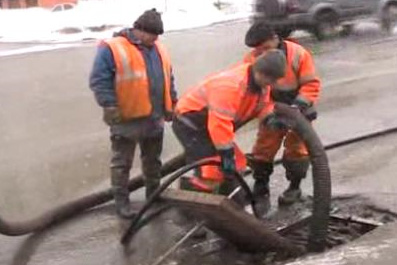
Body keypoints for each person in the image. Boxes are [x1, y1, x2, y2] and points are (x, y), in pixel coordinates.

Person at [89, 9, 178, 219]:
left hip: (154, 117)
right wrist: (109, 105)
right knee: (122, 164)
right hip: (126, 118)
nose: (155, 39)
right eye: (152, 35)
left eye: (158, 36)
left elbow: (168, 77)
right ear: (139, 30)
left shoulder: (158, 48)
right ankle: (122, 203)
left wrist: (172, 102)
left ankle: (154, 195)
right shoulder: (112, 48)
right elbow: (99, 80)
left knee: (153, 161)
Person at [172, 50, 286, 196]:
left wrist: (269, 118)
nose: (274, 84)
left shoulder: (262, 86)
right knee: (211, 170)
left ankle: (225, 199)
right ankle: (194, 203)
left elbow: (262, 106)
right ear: (262, 73)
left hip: (212, 125)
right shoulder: (230, 86)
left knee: (238, 163)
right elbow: (219, 123)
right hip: (190, 122)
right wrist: (226, 154)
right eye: (273, 79)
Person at [244, 21, 321, 205]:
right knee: (264, 147)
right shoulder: (252, 58)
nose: (262, 53)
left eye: (265, 47)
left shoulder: (298, 54)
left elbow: (311, 84)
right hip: (272, 107)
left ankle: (294, 187)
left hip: (298, 108)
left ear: (275, 38)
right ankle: (261, 184)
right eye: (258, 50)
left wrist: (298, 107)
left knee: (297, 149)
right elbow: (254, 92)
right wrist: (269, 114)